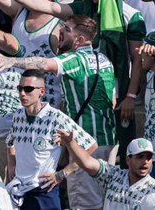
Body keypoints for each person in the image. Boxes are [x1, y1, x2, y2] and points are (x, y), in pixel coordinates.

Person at [6, 69, 98, 210]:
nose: (23, 93)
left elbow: (91, 145)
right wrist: (12, 164)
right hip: (18, 191)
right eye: (20, 88)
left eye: (29, 89)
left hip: (43, 190)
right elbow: (10, 142)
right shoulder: (18, 115)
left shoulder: (56, 117)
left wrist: (63, 173)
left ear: (41, 92)